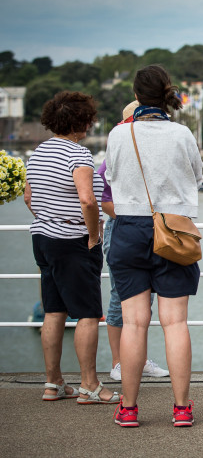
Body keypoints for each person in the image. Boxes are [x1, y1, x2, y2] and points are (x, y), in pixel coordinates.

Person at [105, 65, 203, 428]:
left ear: (135, 96)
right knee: (175, 323)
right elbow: (197, 177)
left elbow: (112, 178)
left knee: (133, 323)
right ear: (166, 93)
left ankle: (128, 408)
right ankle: (181, 408)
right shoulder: (181, 134)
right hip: (173, 228)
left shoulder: (119, 135)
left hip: (129, 228)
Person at [24, 91, 120, 405]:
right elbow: (88, 200)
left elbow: (28, 197)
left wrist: (48, 218)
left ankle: (52, 383)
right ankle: (90, 385)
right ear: (82, 122)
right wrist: (92, 235)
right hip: (73, 241)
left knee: (53, 311)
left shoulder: (38, 152)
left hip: (43, 238)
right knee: (88, 315)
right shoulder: (77, 156)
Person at [97, 101, 169, 382]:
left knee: (145, 300)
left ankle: (138, 359)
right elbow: (106, 202)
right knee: (121, 296)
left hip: (147, 227)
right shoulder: (115, 155)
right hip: (122, 228)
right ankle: (119, 362)